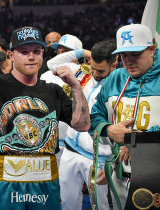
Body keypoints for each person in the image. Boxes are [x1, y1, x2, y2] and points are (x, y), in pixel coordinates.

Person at [0, 26, 90, 210]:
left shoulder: (54, 90)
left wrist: (76, 88)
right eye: (24, 51)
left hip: (46, 181)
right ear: (10, 55)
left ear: (42, 54)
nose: (31, 56)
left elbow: (83, 125)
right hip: (8, 181)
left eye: (36, 51)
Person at [89, 24, 160, 209]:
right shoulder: (115, 78)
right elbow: (94, 117)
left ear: (151, 49)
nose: (129, 61)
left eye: (135, 54)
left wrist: (137, 142)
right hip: (121, 176)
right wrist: (109, 130)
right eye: (124, 55)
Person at [47, 40, 118, 210]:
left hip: (98, 158)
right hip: (70, 151)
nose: (95, 73)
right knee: (67, 203)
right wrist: (82, 53)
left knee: (101, 207)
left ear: (114, 64)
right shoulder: (83, 73)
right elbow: (52, 64)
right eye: (92, 67)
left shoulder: (120, 84)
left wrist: (112, 162)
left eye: (100, 70)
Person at [41, 34, 83, 168]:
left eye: (65, 53)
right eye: (58, 52)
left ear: (77, 56)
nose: (60, 57)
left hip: (81, 145)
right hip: (52, 143)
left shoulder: (87, 76)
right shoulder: (46, 76)